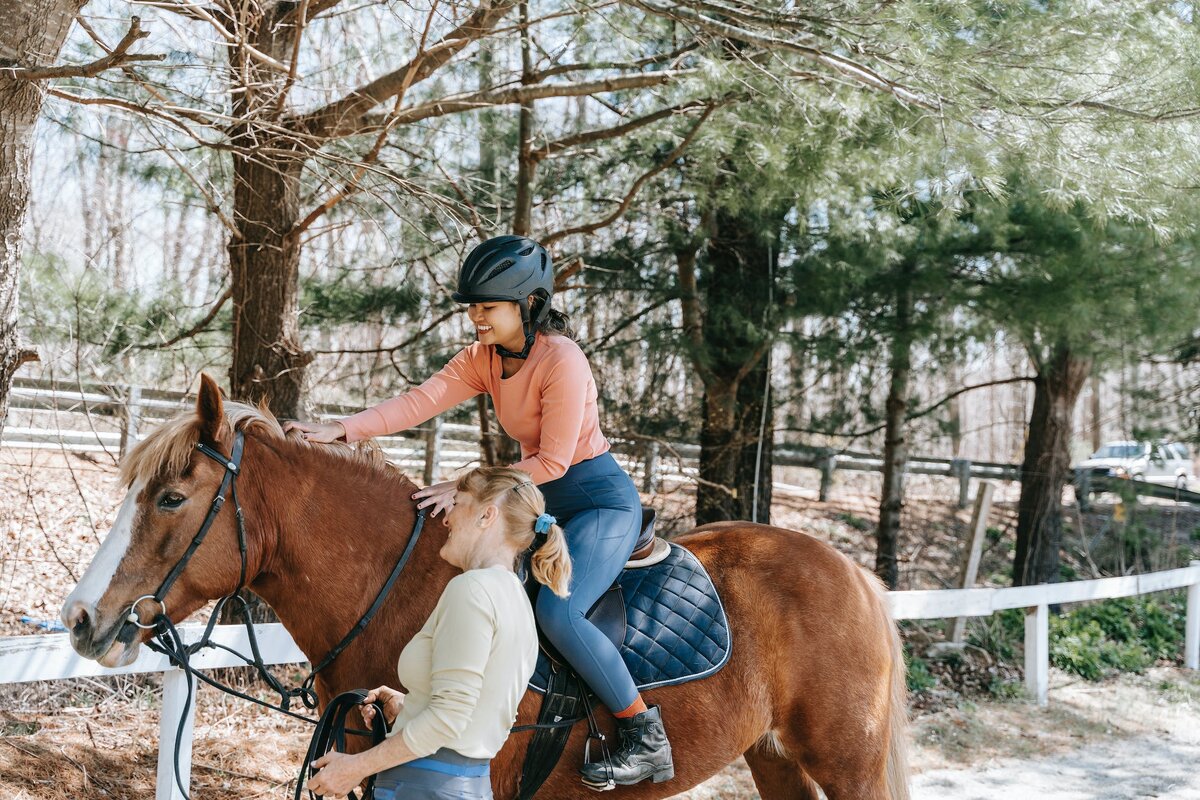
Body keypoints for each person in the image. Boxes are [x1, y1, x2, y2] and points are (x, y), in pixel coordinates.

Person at [286, 235, 674, 788]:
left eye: (487, 307)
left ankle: (643, 733)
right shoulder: (483, 358)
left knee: (559, 615)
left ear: (528, 305)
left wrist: (469, 486)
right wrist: (342, 429)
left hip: (595, 502)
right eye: (472, 306)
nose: (475, 317)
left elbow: (556, 460)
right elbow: (419, 401)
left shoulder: (561, 359)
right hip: (532, 500)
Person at [305, 466, 570, 799]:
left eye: (458, 504)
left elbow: (448, 719)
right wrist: (412, 706)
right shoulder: (515, 595)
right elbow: (483, 709)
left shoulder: (472, 589)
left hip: (421, 787)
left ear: (486, 516)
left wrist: (355, 768)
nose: (446, 519)